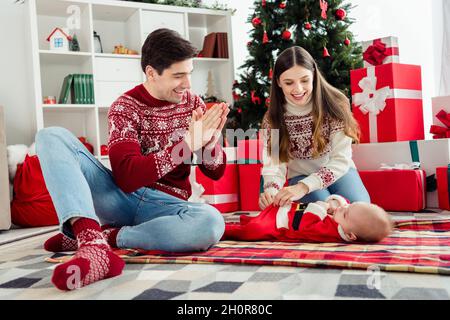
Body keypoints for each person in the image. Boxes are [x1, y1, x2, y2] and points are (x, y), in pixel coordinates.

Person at [36, 28, 229, 291]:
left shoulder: (192, 104)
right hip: (121, 198)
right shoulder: (125, 108)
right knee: (51, 136)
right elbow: (127, 177)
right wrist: (186, 146)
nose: (187, 84)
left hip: (167, 206)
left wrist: (210, 143)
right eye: (178, 75)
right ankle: (91, 243)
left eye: (189, 74)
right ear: (151, 73)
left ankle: (107, 238)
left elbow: (215, 172)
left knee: (211, 222)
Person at [259, 46, 370, 211]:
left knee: (360, 212)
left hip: (339, 172)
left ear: (314, 76)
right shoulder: (273, 118)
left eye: (304, 80)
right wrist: (271, 191)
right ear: (278, 82)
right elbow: (274, 164)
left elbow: (341, 159)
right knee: (320, 211)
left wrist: (304, 187)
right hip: (300, 176)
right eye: (289, 83)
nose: (298, 89)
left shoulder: (335, 106)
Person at [224, 195, 393, 243]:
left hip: (280, 224)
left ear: (350, 235)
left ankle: (225, 230)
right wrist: (337, 202)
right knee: (258, 221)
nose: (344, 208)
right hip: (290, 210)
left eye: (346, 213)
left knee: (254, 230)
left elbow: (306, 224)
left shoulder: (329, 231)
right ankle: (249, 220)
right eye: (350, 205)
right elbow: (345, 203)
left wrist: (323, 206)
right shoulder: (342, 221)